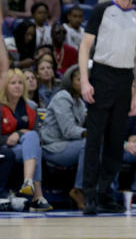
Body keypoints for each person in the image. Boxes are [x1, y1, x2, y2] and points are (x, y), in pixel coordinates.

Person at [78, 0, 136, 215]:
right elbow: (85, 46)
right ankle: (88, 194)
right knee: (94, 138)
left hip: (124, 79)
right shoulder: (102, 10)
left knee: (116, 142)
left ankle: (105, 192)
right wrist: (85, 81)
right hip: (101, 74)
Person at [1, 69, 52, 211]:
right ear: (5, 86)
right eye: (13, 83)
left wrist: (20, 134)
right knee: (34, 146)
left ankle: (28, 182)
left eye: (20, 83)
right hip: (5, 149)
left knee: (33, 139)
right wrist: (16, 134)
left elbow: (36, 136)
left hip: (23, 150)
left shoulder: (31, 108)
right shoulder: (0, 107)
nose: (17, 86)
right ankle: (38, 195)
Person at [39, 66, 88, 210]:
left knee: (103, 145)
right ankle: (78, 190)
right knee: (88, 144)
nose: (85, 83)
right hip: (53, 147)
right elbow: (68, 130)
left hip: (69, 145)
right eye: (80, 80)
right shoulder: (63, 97)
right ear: (69, 80)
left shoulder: (79, 101)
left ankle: (102, 192)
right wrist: (90, 133)